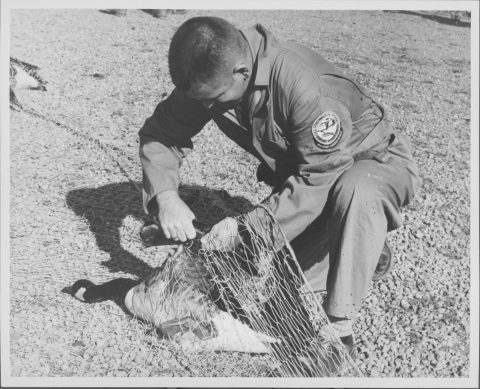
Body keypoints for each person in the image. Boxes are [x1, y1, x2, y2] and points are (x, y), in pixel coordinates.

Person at [138, 16, 420, 357]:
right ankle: (356, 243)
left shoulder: (303, 85)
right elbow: (160, 134)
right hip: (309, 177)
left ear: (242, 72)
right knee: (273, 273)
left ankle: (338, 333)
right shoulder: (213, 78)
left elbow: (321, 176)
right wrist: (166, 197)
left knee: (356, 192)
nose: (207, 108)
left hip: (372, 164)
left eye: (214, 98)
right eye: (202, 100)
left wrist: (248, 229)